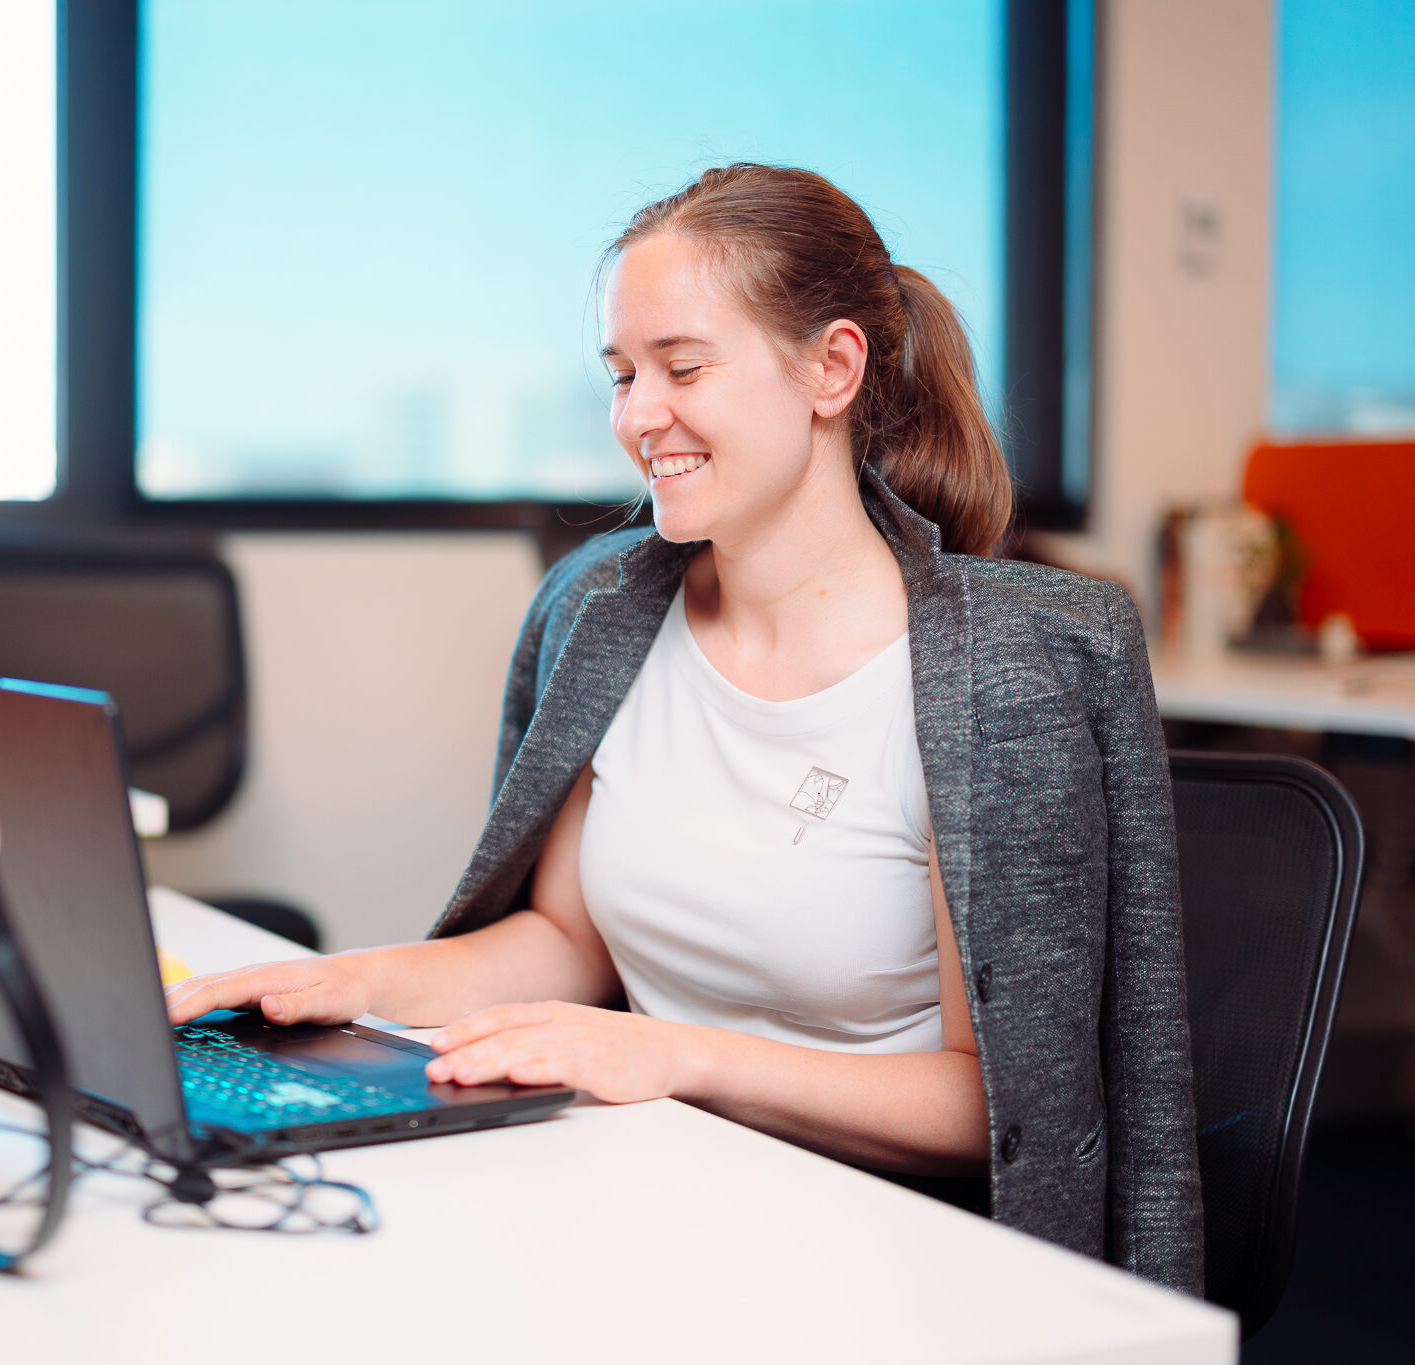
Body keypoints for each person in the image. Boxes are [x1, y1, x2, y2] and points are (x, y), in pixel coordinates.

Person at [167, 163, 1203, 1295]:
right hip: (653, 1188)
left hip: (892, 1248)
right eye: (620, 374)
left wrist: (673, 1058)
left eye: (681, 367)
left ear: (832, 368)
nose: (635, 417)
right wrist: (352, 984)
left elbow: (998, 1108)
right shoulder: (604, 610)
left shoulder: (996, 678)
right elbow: (568, 941)